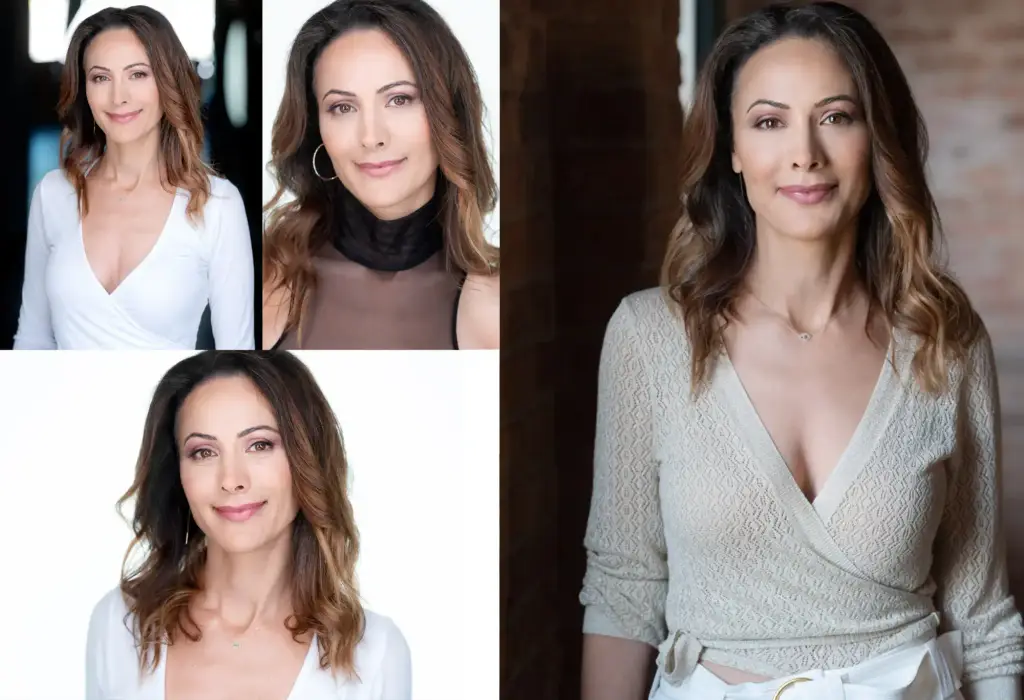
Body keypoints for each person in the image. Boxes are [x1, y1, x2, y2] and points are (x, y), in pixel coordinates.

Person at [579, 3, 1024, 700]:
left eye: (837, 116)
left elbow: (984, 616)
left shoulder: (945, 339)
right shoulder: (650, 339)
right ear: (732, 149)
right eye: (769, 120)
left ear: (876, 138)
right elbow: (622, 590)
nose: (804, 154)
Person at [85, 351, 411, 700]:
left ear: (306, 458)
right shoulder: (120, 624)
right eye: (204, 452)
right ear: (178, 473)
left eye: (259, 444)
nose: (231, 480)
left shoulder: (374, 655)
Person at [262, 0, 499, 350]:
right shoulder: (265, 278)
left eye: (399, 99)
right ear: (317, 130)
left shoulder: (494, 305)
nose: (371, 137)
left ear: (448, 114)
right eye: (342, 107)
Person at [14, 6, 254, 350]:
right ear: (85, 91)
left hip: (163, 403)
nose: (118, 97)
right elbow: (33, 338)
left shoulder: (217, 204)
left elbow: (237, 355)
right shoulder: (53, 194)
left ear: (166, 82)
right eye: (101, 77)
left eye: (137, 74)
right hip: (63, 402)